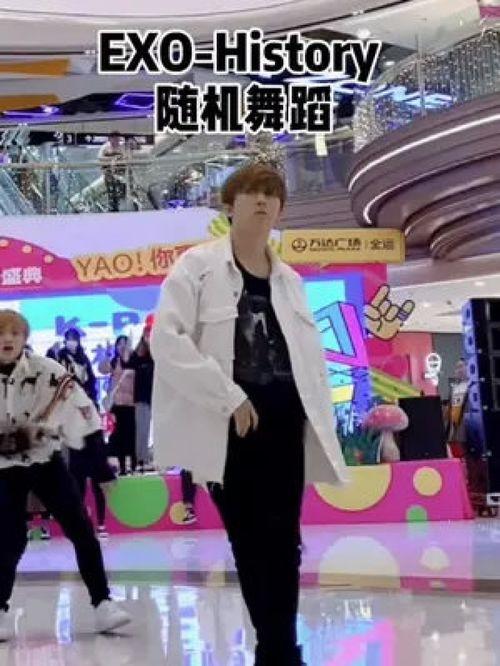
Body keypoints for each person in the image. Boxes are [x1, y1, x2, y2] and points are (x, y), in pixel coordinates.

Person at [150, 163, 349, 666]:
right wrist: (230, 397)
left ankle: (279, 649)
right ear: (229, 205)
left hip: (285, 425)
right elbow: (166, 342)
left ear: (280, 209)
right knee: (250, 539)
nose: (262, 201)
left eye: (271, 194)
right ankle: (277, 648)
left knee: (284, 541)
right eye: (252, 192)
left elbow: (309, 362)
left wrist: (318, 421)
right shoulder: (196, 267)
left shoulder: (290, 280)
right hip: (229, 428)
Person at [0, 310, 131, 641]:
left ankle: (103, 603)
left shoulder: (47, 371)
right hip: (4, 469)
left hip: (46, 461)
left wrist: (101, 466)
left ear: (25, 338)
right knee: (8, 538)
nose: (8, 339)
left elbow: (83, 412)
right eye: (1, 333)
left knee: (80, 528)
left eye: (15, 333)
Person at [58, 329, 114, 536]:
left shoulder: (84, 359)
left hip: (91, 428)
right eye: (69, 340)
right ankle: (80, 524)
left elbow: (91, 383)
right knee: (77, 480)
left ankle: (101, 523)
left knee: (98, 478)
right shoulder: (60, 359)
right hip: (74, 427)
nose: (72, 343)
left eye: (75, 339)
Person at [99, 336, 136, 477]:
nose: (122, 346)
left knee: (131, 436)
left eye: (125, 343)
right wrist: (107, 354)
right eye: (119, 344)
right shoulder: (114, 361)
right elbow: (102, 369)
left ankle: (134, 465)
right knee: (119, 436)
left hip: (132, 404)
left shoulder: (134, 361)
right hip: (117, 405)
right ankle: (122, 467)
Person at [129, 325, 154, 473]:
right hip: (142, 398)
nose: (149, 337)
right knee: (142, 430)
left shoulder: (157, 353)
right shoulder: (137, 356)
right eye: (147, 335)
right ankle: (141, 459)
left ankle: (159, 458)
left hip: (157, 397)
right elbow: (129, 364)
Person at [98, 132, 126, 212]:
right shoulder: (105, 147)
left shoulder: (122, 147)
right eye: (114, 139)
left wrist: (119, 159)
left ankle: (120, 204)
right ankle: (112, 207)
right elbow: (100, 158)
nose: (116, 141)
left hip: (120, 173)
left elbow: (126, 158)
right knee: (111, 190)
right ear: (110, 139)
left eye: (117, 139)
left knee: (121, 188)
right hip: (108, 173)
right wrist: (112, 159)